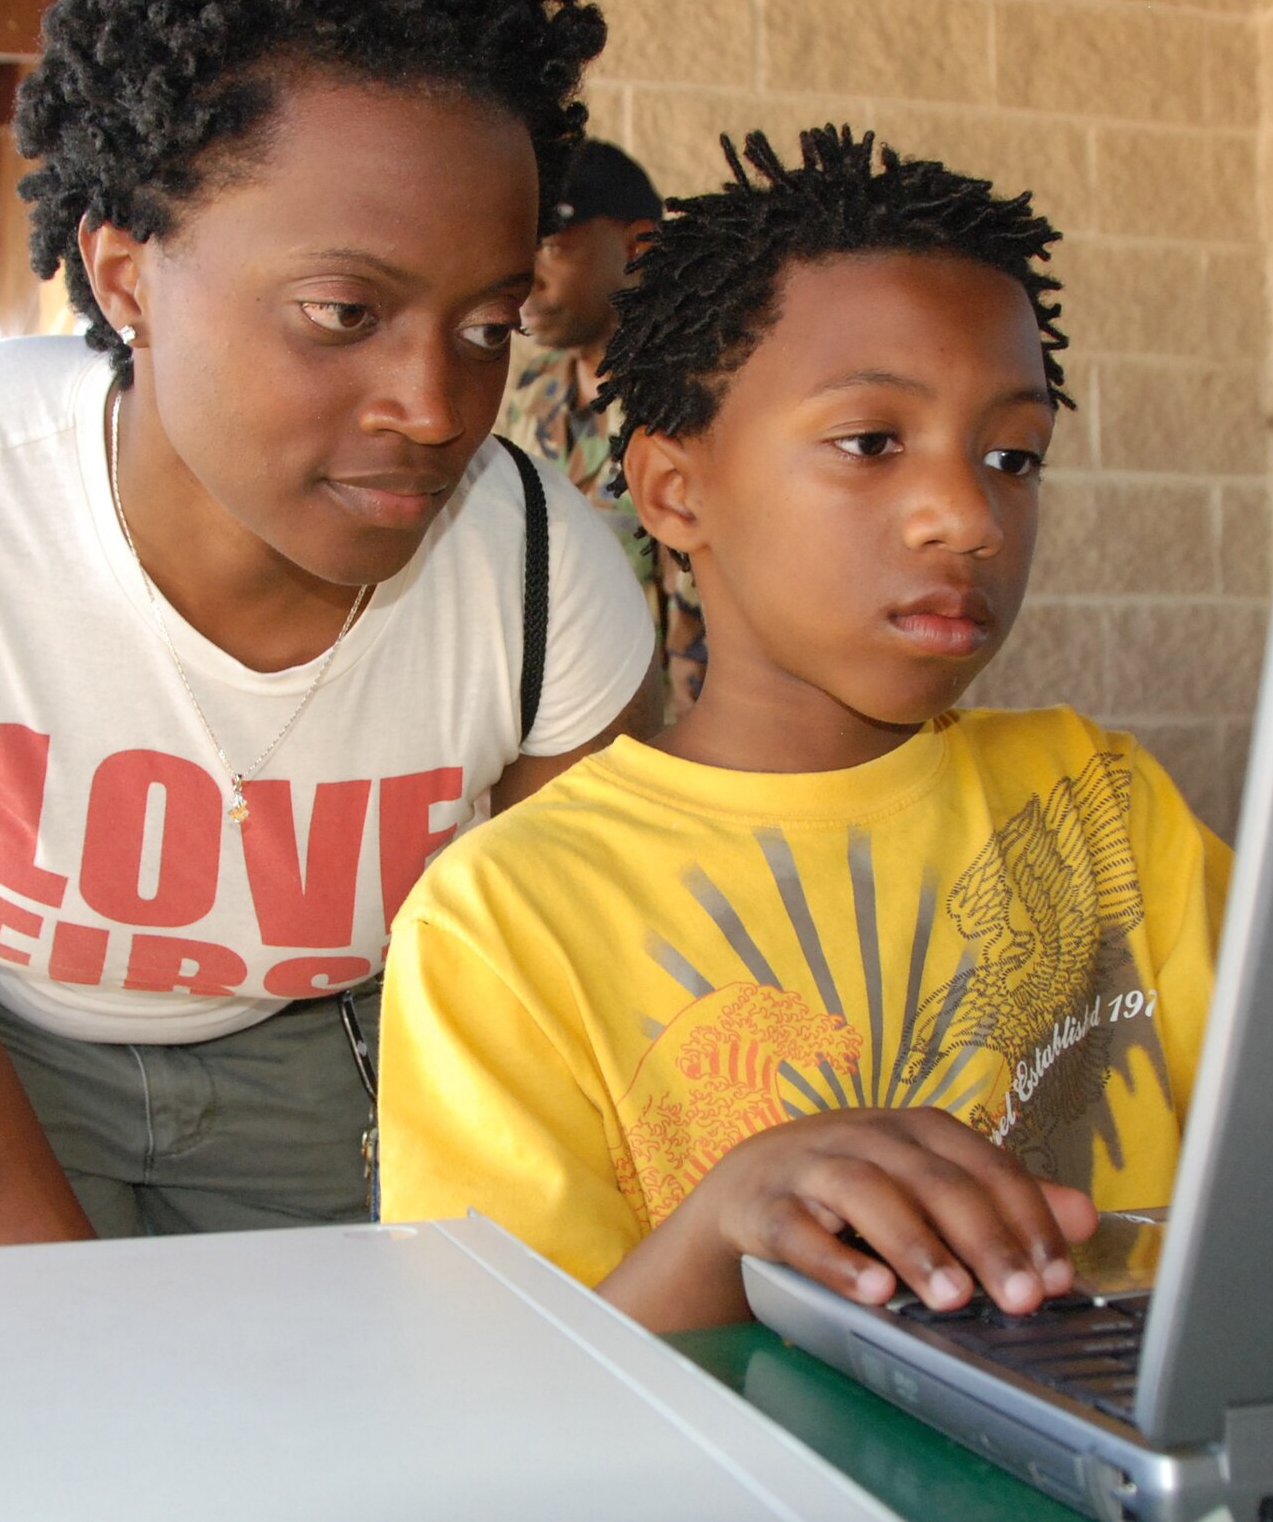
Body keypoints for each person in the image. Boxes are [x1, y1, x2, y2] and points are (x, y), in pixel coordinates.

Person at [0, 0, 657, 1256]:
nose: (433, 406)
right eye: (344, 313)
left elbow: (549, 1009)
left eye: (486, 325)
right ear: (126, 275)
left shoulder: (546, 591)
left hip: (313, 1056)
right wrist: (79, 1306)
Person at [378, 127, 1227, 1330]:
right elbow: (503, 1396)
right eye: (871, 442)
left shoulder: (1100, 798)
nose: (967, 516)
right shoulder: (503, 917)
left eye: (1011, 455)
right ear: (675, 490)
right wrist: (719, 1231)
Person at [498, 140, 707, 716]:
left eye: (552, 248)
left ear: (639, 247)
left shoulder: (689, 405)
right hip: (551, 721)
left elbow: (703, 622)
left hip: (657, 733)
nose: (528, 279)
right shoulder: (533, 388)